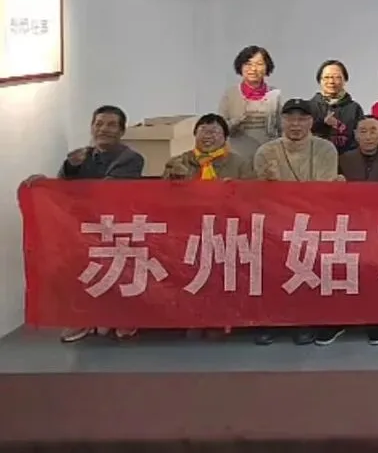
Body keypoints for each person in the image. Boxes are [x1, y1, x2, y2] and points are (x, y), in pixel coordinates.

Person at [251, 99, 341, 347]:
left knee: (308, 266)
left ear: (311, 122)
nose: (296, 124)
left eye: (302, 119)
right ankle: (270, 321)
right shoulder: (266, 151)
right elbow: (260, 195)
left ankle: (304, 320)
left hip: (314, 221)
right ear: (281, 121)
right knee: (271, 267)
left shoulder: (325, 149)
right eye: (290, 118)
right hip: (275, 222)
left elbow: (323, 191)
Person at [53, 105, 144, 344]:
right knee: (77, 268)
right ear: (92, 127)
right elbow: (59, 188)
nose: (104, 129)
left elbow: (108, 191)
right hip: (84, 227)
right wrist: (67, 170)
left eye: (111, 125)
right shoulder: (79, 156)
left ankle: (122, 317)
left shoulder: (131, 158)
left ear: (122, 131)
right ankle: (83, 318)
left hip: (118, 226)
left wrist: (76, 190)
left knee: (119, 269)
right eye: (99, 124)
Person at [218, 45, 283, 161]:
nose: (253, 69)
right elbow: (219, 128)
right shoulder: (230, 94)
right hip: (237, 158)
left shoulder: (275, 94)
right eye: (248, 64)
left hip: (269, 157)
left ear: (267, 67)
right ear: (240, 67)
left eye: (259, 64)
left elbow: (282, 128)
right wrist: (236, 122)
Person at [163, 113, 254, 180]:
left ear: (225, 137)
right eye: (203, 130)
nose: (208, 135)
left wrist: (234, 188)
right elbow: (166, 193)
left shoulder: (240, 164)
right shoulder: (180, 162)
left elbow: (250, 194)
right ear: (195, 134)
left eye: (214, 131)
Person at [309, 60, 364, 155]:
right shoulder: (309, 107)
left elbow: (359, 138)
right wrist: (322, 123)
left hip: (347, 160)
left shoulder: (354, 108)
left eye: (337, 77)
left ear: (345, 80)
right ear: (319, 81)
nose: (331, 81)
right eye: (326, 77)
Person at [339, 116, 378, 182]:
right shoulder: (343, 160)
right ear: (356, 134)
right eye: (363, 132)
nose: (368, 137)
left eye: (373, 132)